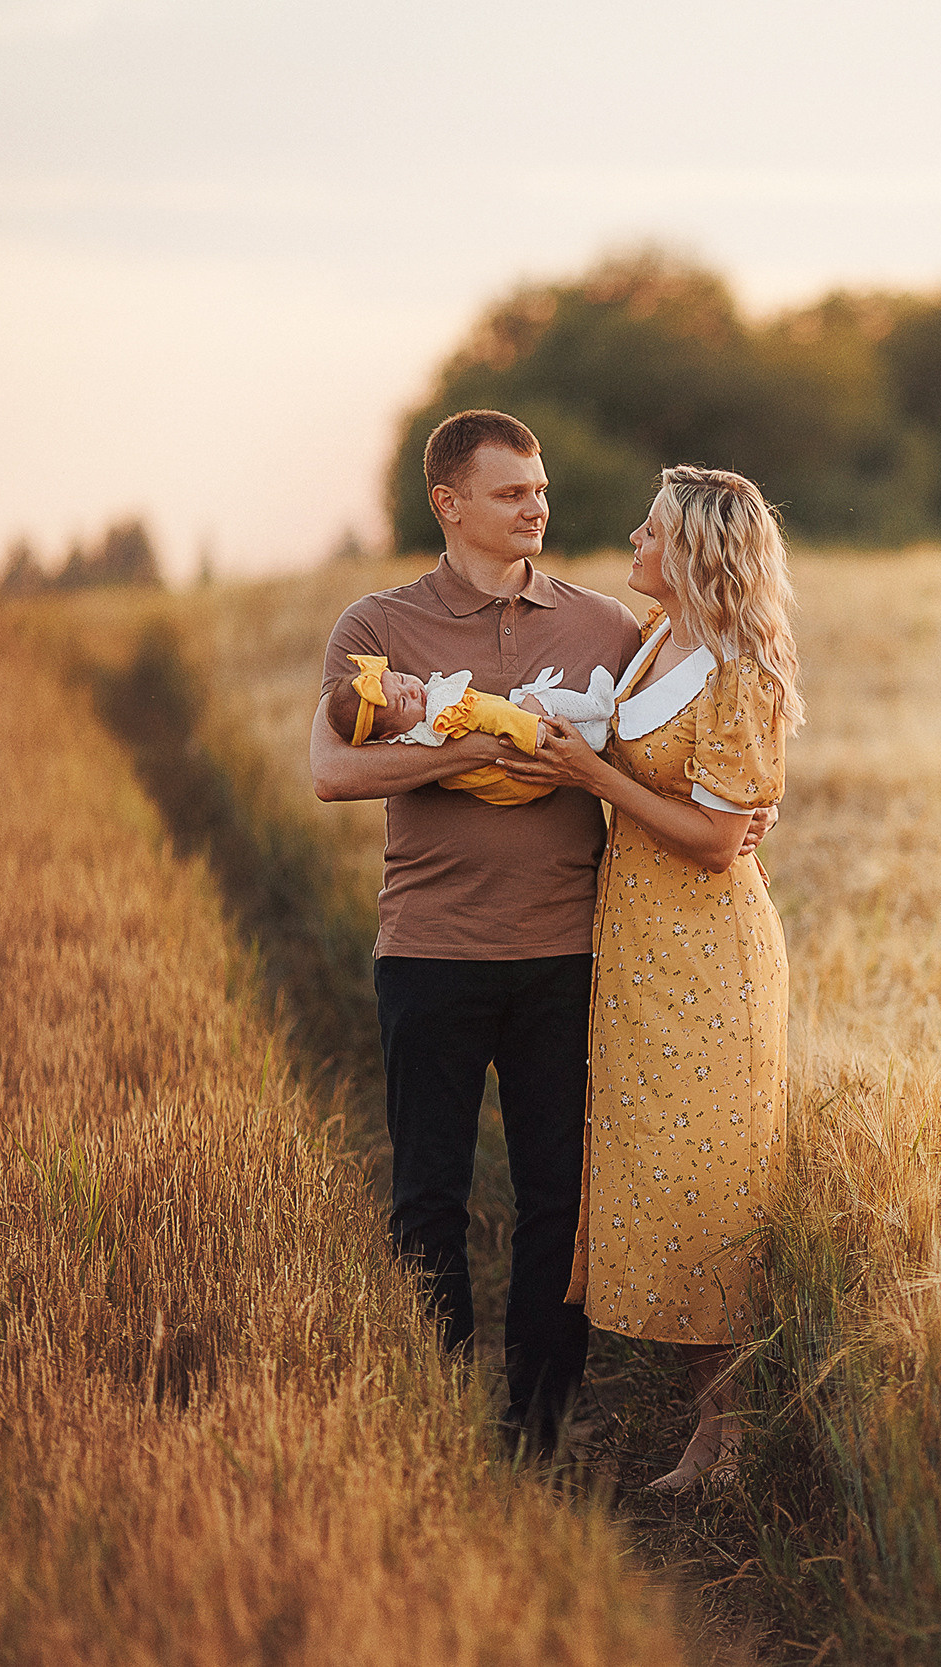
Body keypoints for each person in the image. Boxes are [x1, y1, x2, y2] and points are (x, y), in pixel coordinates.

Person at [310, 411, 768, 1456]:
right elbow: (333, 768)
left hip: (571, 952)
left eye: (541, 488)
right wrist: (465, 738)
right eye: (513, 491)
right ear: (449, 502)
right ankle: (433, 1407)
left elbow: (690, 734)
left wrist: (742, 806)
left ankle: (538, 1428)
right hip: (427, 947)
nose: (538, 506)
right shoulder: (377, 624)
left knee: (554, 1198)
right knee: (427, 1190)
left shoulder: (607, 625)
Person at [542, 464, 800, 1493]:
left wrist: (592, 776)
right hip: (642, 954)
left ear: (690, 549)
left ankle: (724, 1436)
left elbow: (716, 842)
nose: (631, 542)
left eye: (649, 532)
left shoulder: (740, 667)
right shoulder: (659, 643)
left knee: (714, 1184)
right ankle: (708, 1419)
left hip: (709, 956)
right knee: (667, 1172)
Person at [324, 652, 618, 806]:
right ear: (388, 735)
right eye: (402, 702)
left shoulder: (412, 741)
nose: (412, 690)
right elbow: (487, 714)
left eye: (401, 679)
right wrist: (529, 729)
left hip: (513, 787)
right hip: (527, 767)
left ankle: (591, 735)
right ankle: (596, 707)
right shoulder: (440, 710)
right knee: (539, 699)